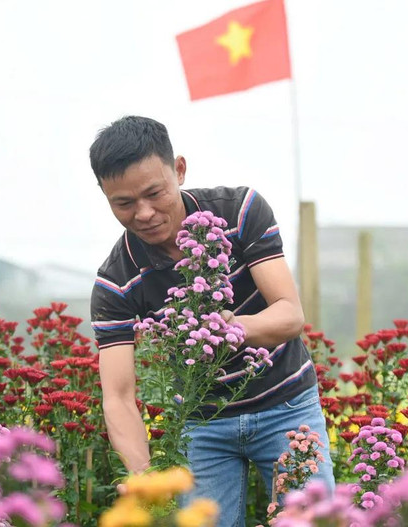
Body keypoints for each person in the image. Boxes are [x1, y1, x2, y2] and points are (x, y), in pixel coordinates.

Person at [89, 115, 334, 526]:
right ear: (105, 194)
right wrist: (145, 480)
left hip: (287, 408)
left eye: (154, 193)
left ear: (179, 169)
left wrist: (225, 329)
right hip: (201, 426)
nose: (144, 213)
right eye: (124, 203)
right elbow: (118, 396)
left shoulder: (239, 211)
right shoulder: (117, 281)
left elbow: (289, 314)